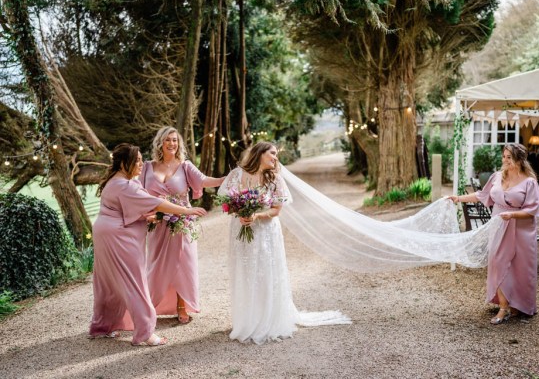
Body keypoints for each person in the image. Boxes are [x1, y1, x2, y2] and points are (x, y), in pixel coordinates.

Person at [218, 142, 350, 345]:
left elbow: (276, 210)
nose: (275, 157)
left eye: (276, 154)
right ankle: (247, 319)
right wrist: (240, 213)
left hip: (265, 232)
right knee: (244, 272)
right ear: (260, 153)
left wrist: (256, 215)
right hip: (240, 230)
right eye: (272, 153)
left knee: (266, 272)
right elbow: (227, 202)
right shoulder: (237, 174)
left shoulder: (275, 178)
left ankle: (269, 319)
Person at [89, 143, 207, 345]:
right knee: (134, 282)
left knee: (108, 283)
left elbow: (122, 209)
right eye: (137, 161)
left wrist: (148, 218)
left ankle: (102, 326)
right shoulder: (125, 185)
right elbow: (156, 203)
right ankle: (145, 333)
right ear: (124, 163)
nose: (141, 165)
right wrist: (186, 211)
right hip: (119, 238)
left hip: (104, 233)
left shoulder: (114, 182)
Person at [449, 143, 539, 324]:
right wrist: (458, 198)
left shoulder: (529, 182)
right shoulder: (496, 177)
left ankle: (519, 304)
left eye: (509, 157)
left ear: (519, 160)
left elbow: (533, 209)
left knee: (520, 267)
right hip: (499, 226)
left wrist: (512, 214)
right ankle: (503, 306)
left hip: (521, 229)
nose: (505, 160)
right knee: (497, 261)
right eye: (504, 156)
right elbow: (482, 196)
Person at [141, 127, 224, 324]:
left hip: (182, 223)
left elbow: (203, 181)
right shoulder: (147, 167)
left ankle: (182, 306)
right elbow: (136, 192)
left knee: (182, 265)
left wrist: (225, 179)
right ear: (160, 143)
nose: (172, 144)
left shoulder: (185, 167)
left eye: (175, 140)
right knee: (157, 266)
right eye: (168, 140)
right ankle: (150, 306)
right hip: (157, 224)